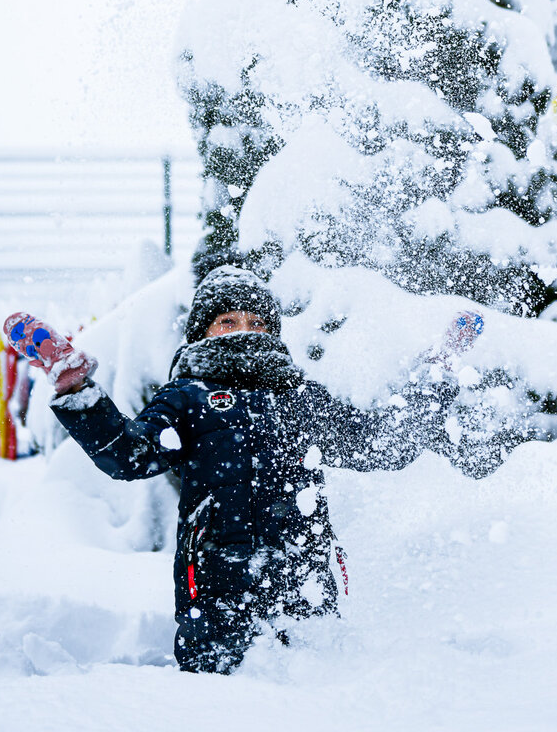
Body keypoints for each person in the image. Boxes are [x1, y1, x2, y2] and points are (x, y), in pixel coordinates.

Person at [30, 266, 457, 674]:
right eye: (228, 321)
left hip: (303, 578)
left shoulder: (300, 396)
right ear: (203, 331)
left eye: (256, 321)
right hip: (217, 585)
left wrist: (433, 378)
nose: (244, 331)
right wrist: (77, 388)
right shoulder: (187, 397)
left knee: (318, 694)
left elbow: (377, 442)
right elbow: (129, 455)